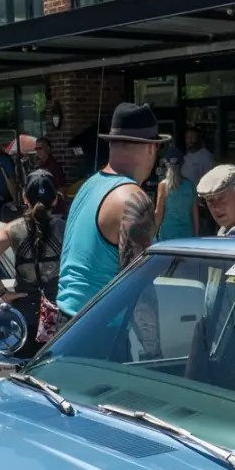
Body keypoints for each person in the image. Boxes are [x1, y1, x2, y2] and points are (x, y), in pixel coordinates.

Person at [55, 101, 166, 321]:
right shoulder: (133, 200)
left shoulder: (89, 186)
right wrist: (152, 351)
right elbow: (140, 290)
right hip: (101, 329)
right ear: (152, 147)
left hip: (66, 321)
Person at [0, 170, 63, 354]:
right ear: (55, 199)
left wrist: (3, 293)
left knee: (26, 375)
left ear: (25, 198)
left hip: (25, 317)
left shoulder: (13, 229)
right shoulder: (65, 228)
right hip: (60, 314)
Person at [155, 146, 194, 242]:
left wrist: (153, 233)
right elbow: (194, 214)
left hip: (167, 235)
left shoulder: (163, 185)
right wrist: (196, 234)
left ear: (166, 164)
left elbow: (159, 213)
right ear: (182, 164)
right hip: (187, 235)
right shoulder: (190, 185)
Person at [179, 127, 214, 231]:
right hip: (185, 204)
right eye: (187, 138)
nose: (189, 141)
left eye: (192, 137)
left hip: (200, 205)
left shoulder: (206, 157)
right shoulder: (184, 157)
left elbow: (209, 181)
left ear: (198, 138)